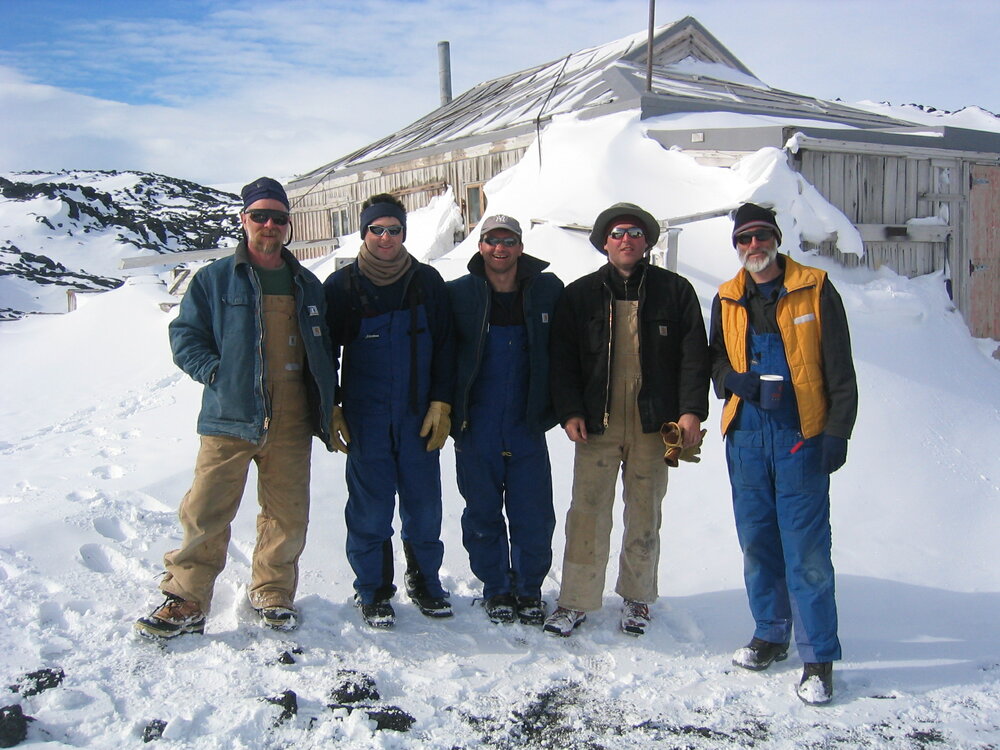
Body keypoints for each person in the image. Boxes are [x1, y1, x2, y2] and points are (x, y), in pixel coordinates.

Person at [134, 177, 338, 639]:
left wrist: (330, 403)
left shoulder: (307, 284)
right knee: (206, 510)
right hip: (230, 414)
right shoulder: (214, 278)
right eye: (260, 216)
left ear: (289, 225)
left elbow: (325, 351)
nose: (269, 225)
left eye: (278, 217)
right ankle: (186, 597)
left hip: (291, 416)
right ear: (243, 220)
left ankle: (272, 592)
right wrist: (215, 373)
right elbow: (185, 335)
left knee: (287, 512)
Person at [710, 202, 858, 705]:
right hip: (746, 436)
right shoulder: (727, 298)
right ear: (736, 246)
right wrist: (734, 380)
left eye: (761, 237)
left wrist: (838, 430)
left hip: (801, 435)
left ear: (776, 239)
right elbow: (712, 360)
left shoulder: (814, 287)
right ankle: (771, 634)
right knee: (758, 543)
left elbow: (839, 365)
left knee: (808, 552)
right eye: (744, 239)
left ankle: (818, 658)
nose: (754, 247)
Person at [544, 203, 710, 638]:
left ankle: (637, 597)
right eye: (617, 233)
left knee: (644, 509)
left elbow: (695, 356)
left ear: (647, 242)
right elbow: (561, 361)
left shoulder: (675, 291)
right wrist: (570, 411)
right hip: (597, 421)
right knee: (588, 511)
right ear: (603, 242)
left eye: (635, 233)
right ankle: (576, 599)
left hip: (654, 421)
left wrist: (691, 410)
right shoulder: (579, 295)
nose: (626, 240)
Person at [324, 193, 456, 629]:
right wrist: (333, 407)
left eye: (394, 229)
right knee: (370, 508)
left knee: (424, 506)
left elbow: (446, 347)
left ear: (404, 232)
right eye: (376, 229)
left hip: (419, 417)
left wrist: (442, 400)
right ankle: (374, 591)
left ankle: (425, 582)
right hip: (367, 417)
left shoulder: (427, 282)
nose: (385, 237)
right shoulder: (342, 287)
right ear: (364, 232)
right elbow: (324, 354)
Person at [447, 215, 564, 626]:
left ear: (520, 246)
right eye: (492, 240)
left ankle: (529, 588)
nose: (500, 248)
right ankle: (496, 587)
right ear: (480, 246)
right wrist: (445, 408)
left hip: (527, 423)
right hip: (475, 425)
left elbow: (567, 353)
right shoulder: (459, 295)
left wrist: (561, 409)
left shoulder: (547, 292)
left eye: (508, 241)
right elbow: (442, 356)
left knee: (533, 512)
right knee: (481, 511)